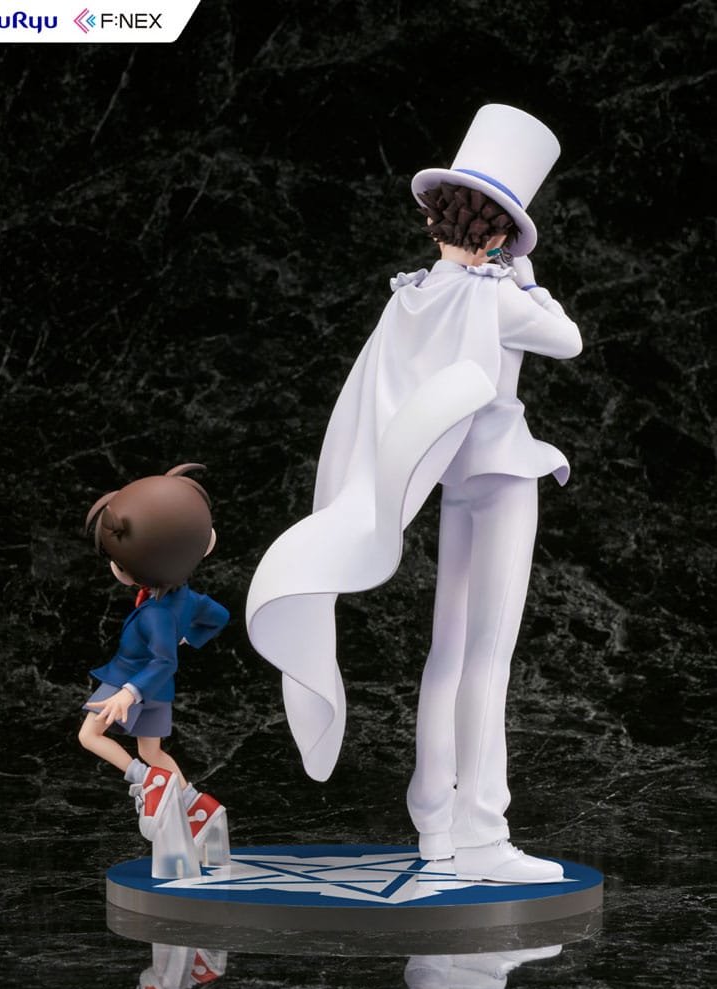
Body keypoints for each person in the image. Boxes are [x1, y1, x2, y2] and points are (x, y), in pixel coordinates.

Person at [247, 105, 582, 883]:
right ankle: (484, 834)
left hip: (452, 480)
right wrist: (527, 278)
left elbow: (377, 391)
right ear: (501, 235)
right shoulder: (499, 298)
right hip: (502, 479)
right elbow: (568, 340)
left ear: (438, 221)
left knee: (447, 649)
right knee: (487, 655)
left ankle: (433, 819)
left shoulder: (411, 296)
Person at [79, 463, 230, 853]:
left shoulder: (156, 613)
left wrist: (128, 693)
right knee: (153, 751)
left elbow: (163, 661)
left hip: (132, 679)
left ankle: (146, 781)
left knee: (90, 735)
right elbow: (219, 616)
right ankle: (198, 807)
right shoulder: (187, 597)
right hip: (158, 690)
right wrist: (187, 637)